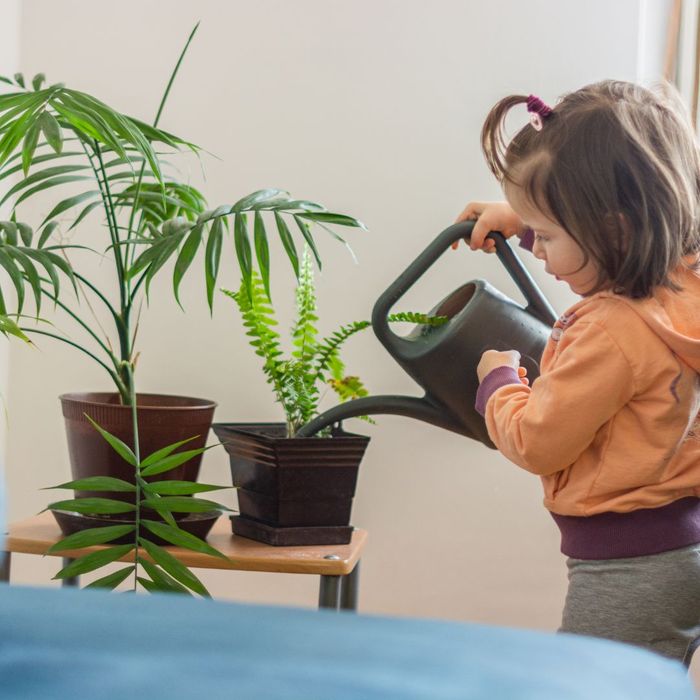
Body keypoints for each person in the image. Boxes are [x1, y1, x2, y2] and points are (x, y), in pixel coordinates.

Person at [455, 81, 700, 665]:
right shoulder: (685, 281)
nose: (537, 249)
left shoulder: (611, 331)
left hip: (629, 567)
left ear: (612, 229)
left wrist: (499, 382)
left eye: (548, 234)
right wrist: (526, 216)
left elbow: (539, 442)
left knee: (589, 685)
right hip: (683, 544)